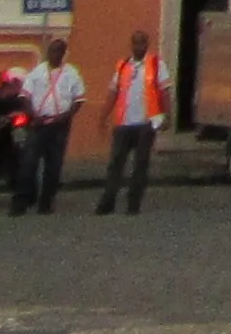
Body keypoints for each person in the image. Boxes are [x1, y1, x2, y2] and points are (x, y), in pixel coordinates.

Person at [93, 30, 169, 217]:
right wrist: (103, 117)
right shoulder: (122, 66)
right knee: (115, 164)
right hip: (123, 124)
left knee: (140, 165)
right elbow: (113, 92)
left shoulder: (156, 65)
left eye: (143, 43)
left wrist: (168, 115)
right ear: (131, 44)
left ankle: (133, 204)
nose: (139, 47)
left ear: (147, 44)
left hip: (146, 123)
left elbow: (165, 92)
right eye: (136, 43)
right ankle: (107, 202)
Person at [14, 36, 85, 216]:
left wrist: (67, 115)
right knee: (28, 164)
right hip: (38, 124)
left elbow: (79, 99)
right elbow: (24, 96)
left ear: (63, 53)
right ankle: (20, 202)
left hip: (60, 125)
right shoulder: (37, 72)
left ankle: (46, 203)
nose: (55, 54)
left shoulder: (71, 73)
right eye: (52, 51)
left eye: (59, 51)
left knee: (53, 166)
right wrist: (32, 115)